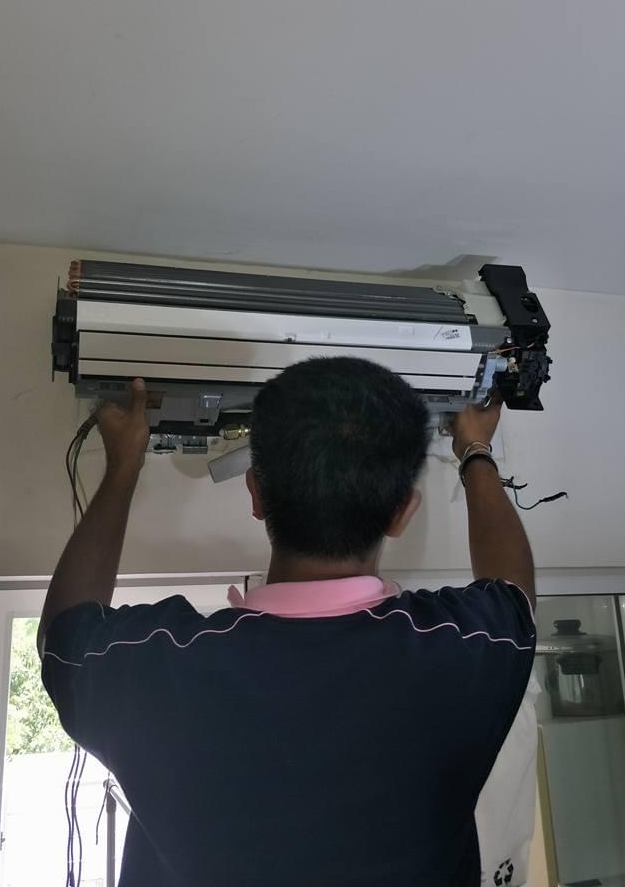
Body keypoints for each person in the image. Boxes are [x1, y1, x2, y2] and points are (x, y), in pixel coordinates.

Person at [39, 357, 536, 887]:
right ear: (401, 513)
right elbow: (515, 593)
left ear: (255, 492)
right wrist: (475, 450)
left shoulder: (154, 670)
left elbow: (64, 635)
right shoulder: (463, 653)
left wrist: (123, 467)